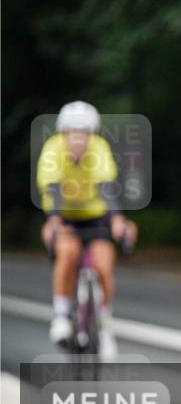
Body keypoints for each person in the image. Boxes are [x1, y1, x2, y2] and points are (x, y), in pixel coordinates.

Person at [38, 101, 137, 361]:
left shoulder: (99, 148)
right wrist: (55, 221)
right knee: (68, 253)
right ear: (63, 133)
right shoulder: (53, 149)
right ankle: (61, 315)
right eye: (73, 132)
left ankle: (104, 326)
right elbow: (53, 188)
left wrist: (117, 220)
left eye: (84, 132)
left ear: (92, 134)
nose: (78, 138)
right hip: (65, 216)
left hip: (96, 216)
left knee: (104, 263)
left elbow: (106, 186)